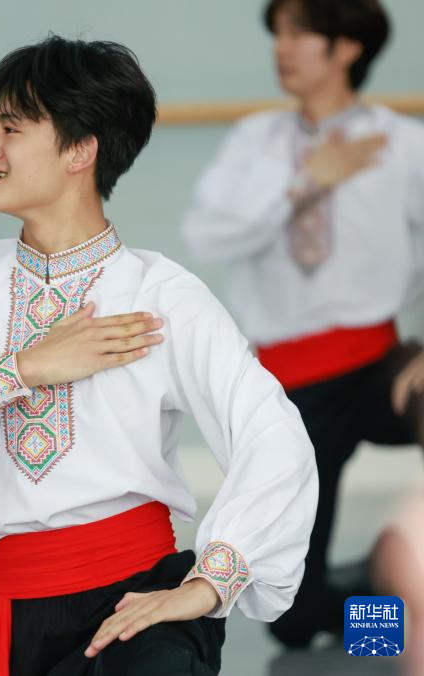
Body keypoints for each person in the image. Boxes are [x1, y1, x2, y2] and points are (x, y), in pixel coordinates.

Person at [0, 36, 317, 675]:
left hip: (138, 611)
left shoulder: (158, 295)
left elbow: (272, 433)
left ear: (80, 150)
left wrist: (207, 584)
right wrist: (22, 368)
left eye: (10, 128)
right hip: (13, 619)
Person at [180, 0, 424, 646]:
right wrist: (304, 183)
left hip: (378, 363)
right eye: (278, 35)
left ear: (347, 47)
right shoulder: (256, 142)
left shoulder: (403, 145)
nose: (281, 48)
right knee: (292, 617)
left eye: (299, 34)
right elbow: (206, 233)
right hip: (291, 387)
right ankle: (391, 598)